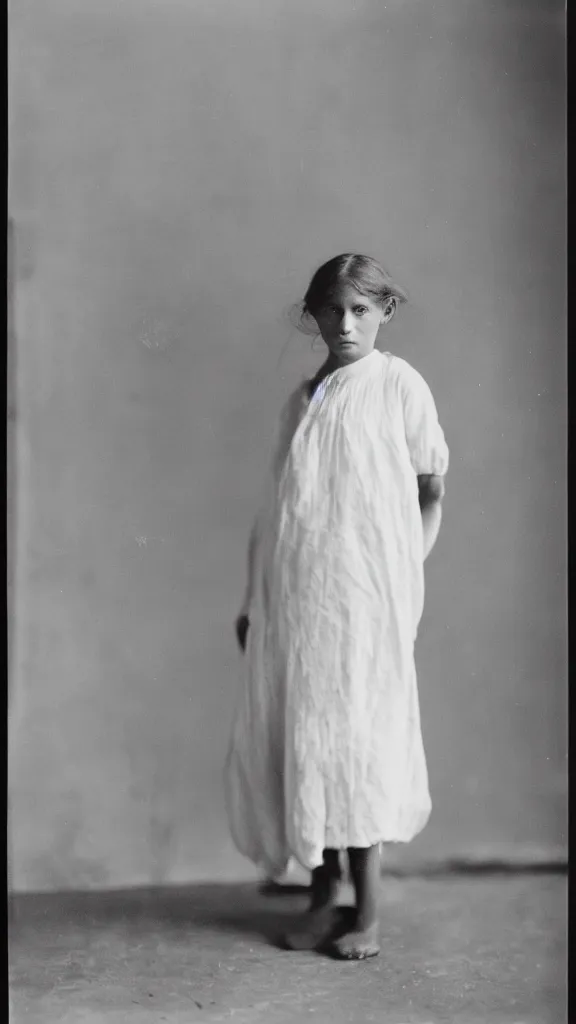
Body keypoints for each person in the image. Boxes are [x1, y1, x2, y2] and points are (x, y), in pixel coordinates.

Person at [225, 254, 449, 960]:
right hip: (297, 600)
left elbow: (430, 486)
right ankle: (322, 898)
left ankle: (369, 914)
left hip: (362, 601)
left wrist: (401, 572)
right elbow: (277, 510)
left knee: (358, 744)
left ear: (386, 310)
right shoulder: (302, 397)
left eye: (361, 309)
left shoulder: (397, 385)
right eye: (332, 310)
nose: (346, 324)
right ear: (314, 314)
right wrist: (253, 598)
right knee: (303, 736)